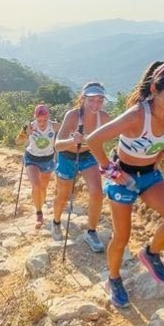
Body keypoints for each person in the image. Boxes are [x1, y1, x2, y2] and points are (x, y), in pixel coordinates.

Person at [85, 61, 164, 308]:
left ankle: (151, 253)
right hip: (122, 177)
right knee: (121, 236)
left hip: (149, 176)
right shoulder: (136, 115)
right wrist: (109, 170)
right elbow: (93, 140)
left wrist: (162, 155)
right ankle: (113, 279)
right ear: (154, 90)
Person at [51, 82, 111, 252]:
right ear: (83, 99)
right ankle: (56, 221)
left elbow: (118, 133)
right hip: (67, 157)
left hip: (88, 156)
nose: (96, 104)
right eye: (91, 100)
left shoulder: (104, 118)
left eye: (100, 100)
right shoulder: (72, 116)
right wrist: (72, 140)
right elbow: (57, 145)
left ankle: (91, 232)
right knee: (63, 196)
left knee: (97, 192)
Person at [14, 104, 58, 229]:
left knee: (43, 188)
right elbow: (17, 142)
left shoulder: (54, 126)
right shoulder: (30, 126)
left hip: (48, 160)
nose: (42, 123)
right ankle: (39, 213)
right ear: (35, 118)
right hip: (31, 158)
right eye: (39, 120)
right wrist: (25, 133)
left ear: (48, 117)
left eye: (44, 120)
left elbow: (69, 128)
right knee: (36, 185)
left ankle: (40, 203)